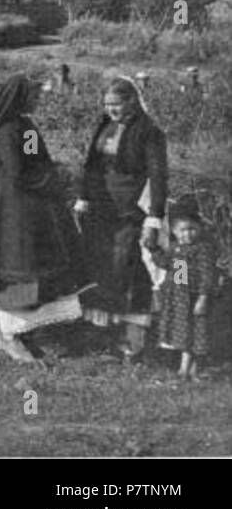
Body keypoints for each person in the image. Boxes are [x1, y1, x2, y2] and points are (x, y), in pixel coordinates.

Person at [0, 75, 87, 362]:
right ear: (20, 98)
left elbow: (35, 160)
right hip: (17, 211)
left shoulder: (24, 126)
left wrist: (51, 172)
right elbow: (17, 172)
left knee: (36, 266)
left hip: (31, 208)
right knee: (18, 265)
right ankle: (9, 336)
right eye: (33, 96)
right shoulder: (10, 130)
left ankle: (26, 332)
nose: (37, 101)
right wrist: (52, 178)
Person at [74, 77, 169, 358]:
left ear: (131, 101)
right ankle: (105, 333)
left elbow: (158, 176)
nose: (111, 110)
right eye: (107, 105)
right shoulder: (105, 124)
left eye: (116, 104)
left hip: (131, 209)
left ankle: (133, 335)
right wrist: (83, 197)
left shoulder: (149, 131)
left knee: (125, 263)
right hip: (102, 208)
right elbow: (91, 164)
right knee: (101, 264)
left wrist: (154, 219)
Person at [151, 200, 217, 380]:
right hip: (178, 299)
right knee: (183, 333)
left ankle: (187, 369)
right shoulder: (176, 248)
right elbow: (166, 264)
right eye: (183, 230)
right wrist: (154, 249)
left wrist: (203, 298)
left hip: (193, 298)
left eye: (192, 229)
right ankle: (188, 370)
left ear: (199, 228)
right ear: (174, 231)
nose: (188, 234)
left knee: (194, 333)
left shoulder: (202, 249)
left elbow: (207, 275)